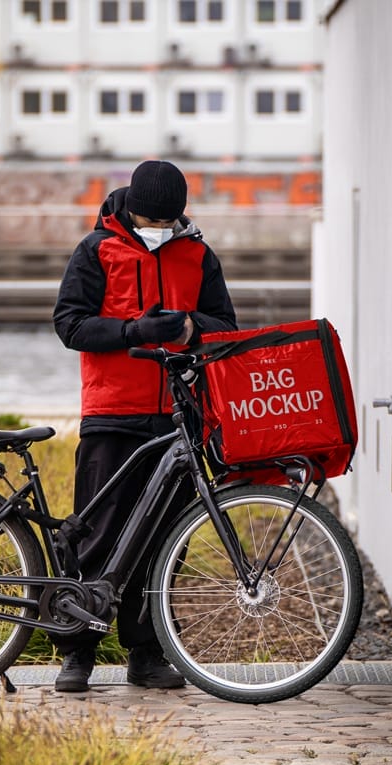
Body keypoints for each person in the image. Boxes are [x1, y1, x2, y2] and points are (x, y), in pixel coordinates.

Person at [52, 160, 237, 692]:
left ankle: (146, 654)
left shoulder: (198, 255)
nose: (157, 228)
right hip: (111, 413)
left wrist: (186, 327)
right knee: (95, 535)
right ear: (130, 208)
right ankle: (77, 652)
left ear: (179, 216)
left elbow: (226, 326)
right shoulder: (96, 250)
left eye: (166, 221)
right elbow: (70, 323)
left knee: (162, 538)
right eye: (148, 219)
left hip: (178, 415)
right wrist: (133, 328)